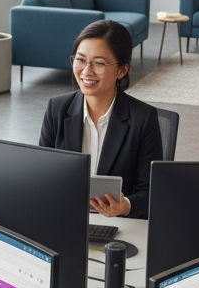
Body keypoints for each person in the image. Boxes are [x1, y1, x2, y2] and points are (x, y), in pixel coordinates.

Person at [38, 19, 163, 219]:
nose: (87, 71)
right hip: (65, 218)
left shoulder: (143, 118)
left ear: (121, 70)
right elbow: (42, 177)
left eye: (99, 63)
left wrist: (125, 206)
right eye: (80, 60)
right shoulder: (57, 109)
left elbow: (152, 193)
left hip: (119, 226)